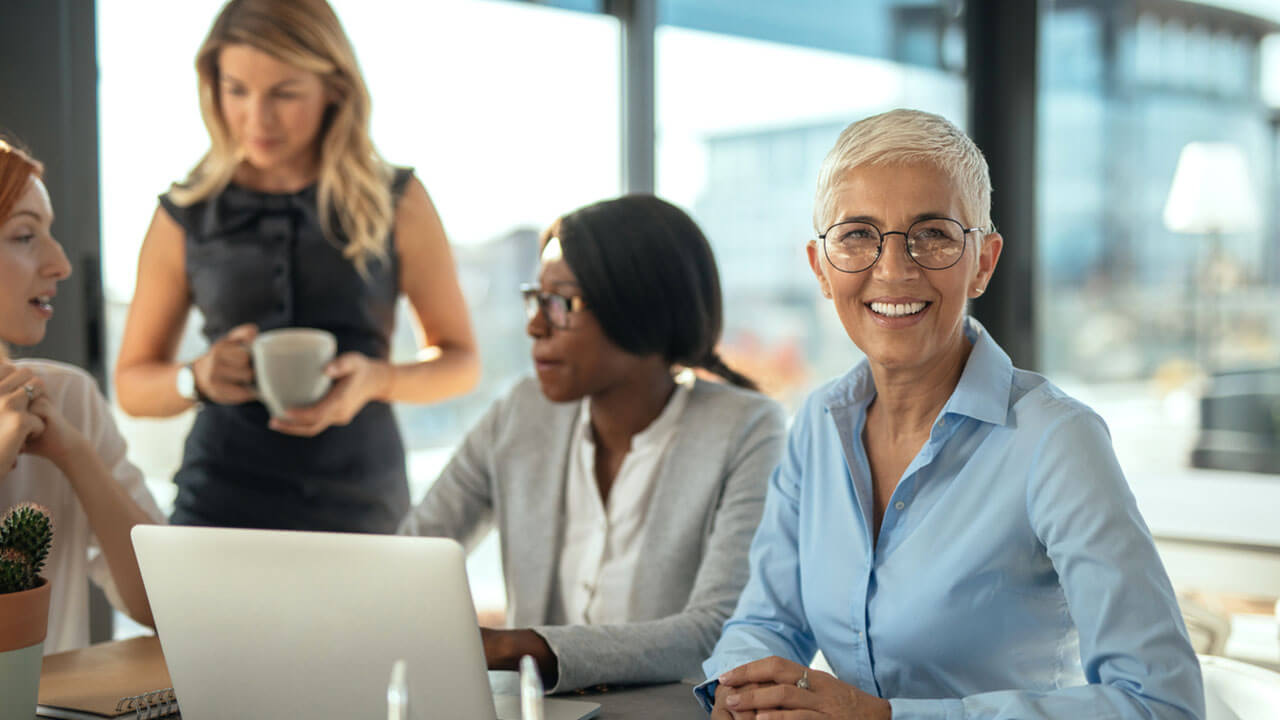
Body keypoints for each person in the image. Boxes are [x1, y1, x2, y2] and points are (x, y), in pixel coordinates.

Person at [700, 110, 1204, 720]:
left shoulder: (1056, 441)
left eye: (932, 233)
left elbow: (1161, 704)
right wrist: (745, 688)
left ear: (983, 262)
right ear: (821, 269)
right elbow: (764, 620)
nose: (893, 269)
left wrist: (884, 718)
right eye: (858, 234)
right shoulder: (818, 423)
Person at [114, 0, 479, 533]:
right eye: (236, 89)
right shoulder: (183, 214)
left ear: (335, 88)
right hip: (217, 505)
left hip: (363, 506)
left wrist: (377, 380)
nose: (256, 118)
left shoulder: (396, 200)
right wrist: (197, 377)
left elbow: (461, 362)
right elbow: (131, 385)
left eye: (284, 93)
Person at [399, 194, 787, 692]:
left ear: (641, 308)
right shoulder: (521, 413)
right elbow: (412, 557)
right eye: (535, 299)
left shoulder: (748, 428)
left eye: (561, 303)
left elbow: (717, 629)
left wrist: (515, 647)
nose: (535, 325)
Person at [0, 138, 165, 653]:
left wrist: (75, 455)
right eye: (25, 235)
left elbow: (160, 603)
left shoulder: (67, 398)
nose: (61, 264)